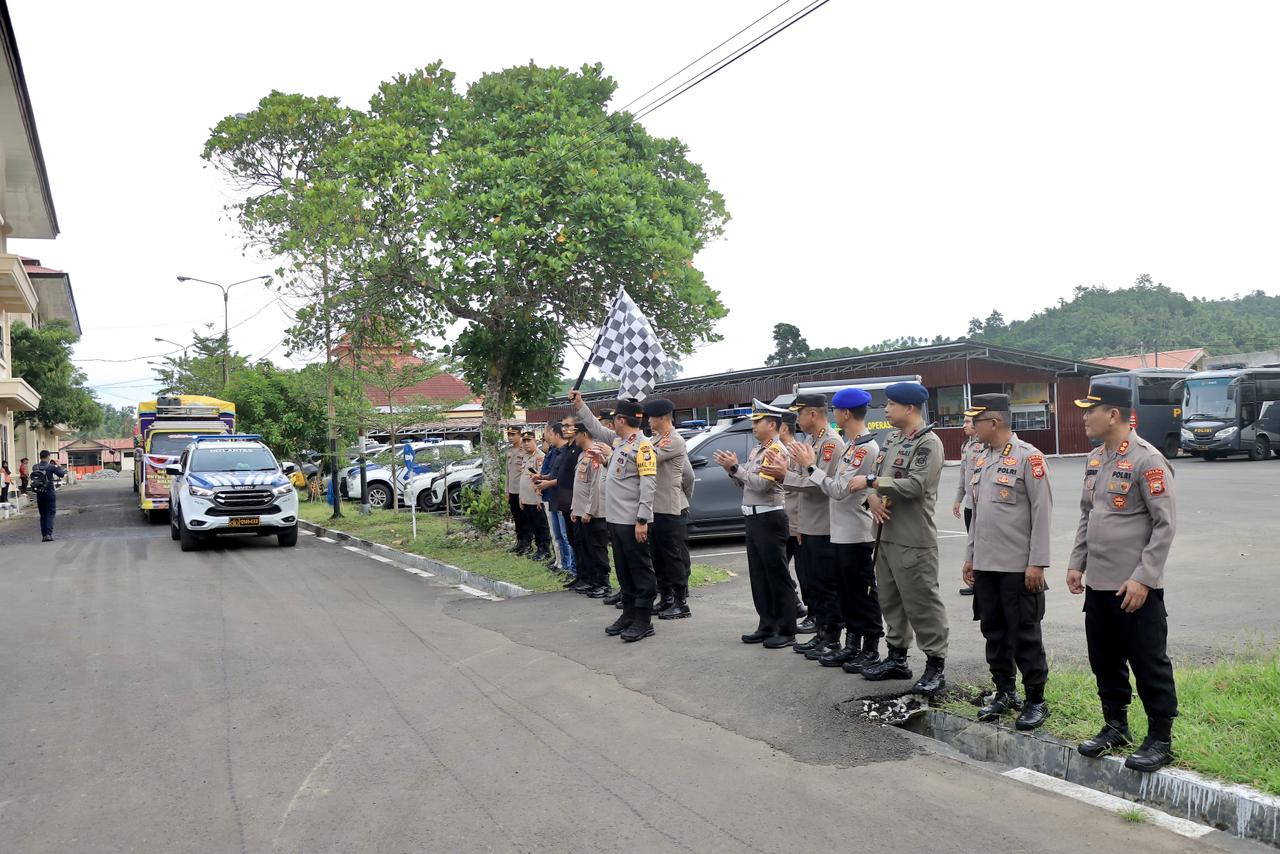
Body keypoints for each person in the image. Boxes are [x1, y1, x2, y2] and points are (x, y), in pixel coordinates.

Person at [1068, 382, 1178, 773]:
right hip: (1099, 583)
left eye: (1089, 410)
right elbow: (1088, 513)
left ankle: (1160, 739)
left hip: (1135, 589)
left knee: (1149, 663)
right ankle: (1116, 725)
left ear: (1113, 415)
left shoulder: (1148, 460)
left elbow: (1165, 526)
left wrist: (1144, 578)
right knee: (1105, 660)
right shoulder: (1096, 458)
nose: (1084, 417)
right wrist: (1076, 561)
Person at [960, 394, 1053, 730]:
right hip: (986, 566)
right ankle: (1004, 691)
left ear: (993, 422)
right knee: (994, 631)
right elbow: (978, 515)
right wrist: (971, 557)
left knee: (1025, 633)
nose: (972, 429)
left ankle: (1036, 700)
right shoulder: (982, 459)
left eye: (977, 422)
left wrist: (1038, 563)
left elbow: (1042, 513)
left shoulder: (1030, 458)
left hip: (1018, 566)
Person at [858, 381, 949, 695]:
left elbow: (916, 485)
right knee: (890, 599)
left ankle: (936, 664)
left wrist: (871, 482)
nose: (886, 410)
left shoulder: (928, 443)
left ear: (909, 408)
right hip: (885, 535)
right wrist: (870, 496)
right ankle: (897, 657)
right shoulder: (893, 439)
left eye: (891, 404)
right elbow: (877, 480)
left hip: (913, 537)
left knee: (922, 602)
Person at [790, 387, 884, 673]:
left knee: (862, 593)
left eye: (837, 412)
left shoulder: (865, 448)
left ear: (844, 413)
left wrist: (809, 468)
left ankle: (869, 648)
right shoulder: (852, 445)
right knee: (846, 593)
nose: (834, 416)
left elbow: (839, 490)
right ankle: (852, 644)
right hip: (841, 533)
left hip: (856, 533)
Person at [571, 392, 659, 643]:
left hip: (633, 522)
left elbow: (648, 485)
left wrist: (642, 520)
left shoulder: (643, 447)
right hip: (617, 520)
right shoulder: (622, 443)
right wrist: (580, 405)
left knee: (640, 571)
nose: (611, 425)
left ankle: (643, 619)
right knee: (624, 570)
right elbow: (597, 430)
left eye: (615, 420)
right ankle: (629, 614)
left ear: (621, 420)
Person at [765, 394, 844, 661]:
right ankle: (821, 632)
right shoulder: (810, 442)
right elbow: (802, 479)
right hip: (808, 524)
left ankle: (832, 638)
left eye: (799, 414)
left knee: (825, 584)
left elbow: (818, 483)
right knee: (813, 584)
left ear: (812, 414)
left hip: (824, 525)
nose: (796, 420)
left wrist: (784, 475)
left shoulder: (831, 443)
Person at [717, 400, 796, 648]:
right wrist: (733, 471)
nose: (752, 426)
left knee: (776, 575)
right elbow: (747, 483)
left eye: (756, 422)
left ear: (771, 425)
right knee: (759, 575)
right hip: (753, 516)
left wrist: (736, 468)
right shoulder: (758, 451)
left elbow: (762, 485)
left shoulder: (776, 451)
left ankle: (785, 628)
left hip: (769, 517)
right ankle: (767, 623)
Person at [644, 398, 694, 619]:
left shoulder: (674, 441)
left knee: (672, 557)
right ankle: (666, 598)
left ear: (662, 418)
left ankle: (681, 602)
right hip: (656, 507)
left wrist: (681, 497)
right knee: (658, 556)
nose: (648, 421)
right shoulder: (657, 439)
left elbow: (688, 476)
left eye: (651, 417)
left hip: (670, 507)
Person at [775, 411, 813, 633]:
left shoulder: (795, 451)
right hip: (787, 518)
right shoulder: (790, 450)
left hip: (797, 519)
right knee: (780, 566)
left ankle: (809, 611)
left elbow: (802, 488)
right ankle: (797, 604)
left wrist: (799, 523)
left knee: (804, 569)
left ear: (782, 429)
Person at [569, 416, 612, 598]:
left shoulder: (596, 454)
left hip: (594, 513)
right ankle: (593, 581)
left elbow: (597, 486)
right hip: (581, 511)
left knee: (597, 548)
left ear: (584, 434)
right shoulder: (582, 454)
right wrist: (574, 508)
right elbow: (579, 485)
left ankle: (603, 583)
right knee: (586, 547)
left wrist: (589, 510)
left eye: (576, 434)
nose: (574, 438)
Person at [953, 415, 981, 596]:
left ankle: (981, 583)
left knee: (982, 544)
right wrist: (958, 499)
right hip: (970, 505)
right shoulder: (966, 445)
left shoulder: (986, 445)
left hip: (982, 505)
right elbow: (963, 475)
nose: (964, 425)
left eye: (968, 422)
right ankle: (975, 582)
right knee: (973, 545)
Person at [518, 430, 552, 562]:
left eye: (529, 441)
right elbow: (522, 478)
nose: (526, 444)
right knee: (532, 525)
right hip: (526, 498)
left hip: (535, 499)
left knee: (541, 526)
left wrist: (539, 499)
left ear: (535, 441)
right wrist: (521, 497)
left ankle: (544, 550)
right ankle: (538, 549)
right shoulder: (525, 457)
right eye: (524, 441)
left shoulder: (540, 457)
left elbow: (539, 479)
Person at [30, 450, 67, 542]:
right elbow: (61, 474)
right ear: (48, 456)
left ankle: (43, 535)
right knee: (50, 514)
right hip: (49, 492)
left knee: (43, 515)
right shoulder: (51, 467)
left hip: (39, 493)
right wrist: (58, 466)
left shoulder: (35, 467)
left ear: (40, 457)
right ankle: (48, 534)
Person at [505, 425, 532, 555]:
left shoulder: (525, 450)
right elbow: (508, 472)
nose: (510, 437)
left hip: (522, 491)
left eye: (513, 435)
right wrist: (507, 490)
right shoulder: (509, 450)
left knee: (525, 519)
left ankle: (527, 544)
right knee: (517, 519)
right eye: (509, 435)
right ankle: (520, 542)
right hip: (512, 491)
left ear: (520, 435)